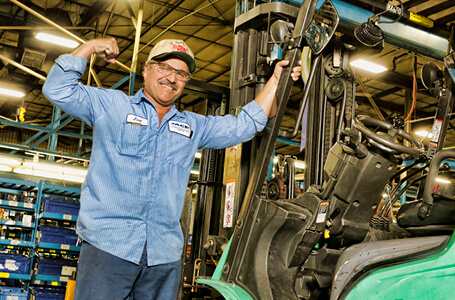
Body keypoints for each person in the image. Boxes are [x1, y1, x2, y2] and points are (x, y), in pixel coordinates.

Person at [42, 37, 302, 300]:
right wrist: (91, 47)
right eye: (164, 68)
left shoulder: (193, 126)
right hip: (108, 249)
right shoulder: (111, 106)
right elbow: (57, 89)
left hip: (163, 256)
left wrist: (277, 79)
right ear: (146, 70)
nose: (171, 78)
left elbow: (245, 125)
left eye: (180, 73)